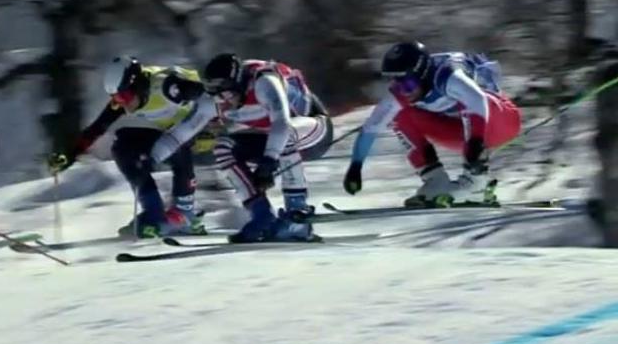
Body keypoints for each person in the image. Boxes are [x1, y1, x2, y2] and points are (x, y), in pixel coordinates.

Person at [150, 53, 334, 243]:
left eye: (225, 92)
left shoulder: (264, 82)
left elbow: (281, 123)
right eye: (215, 92)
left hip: (314, 130)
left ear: (238, 82)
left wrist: (269, 161)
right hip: (274, 139)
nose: (223, 99)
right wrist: (152, 159)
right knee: (224, 147)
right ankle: (262, 216)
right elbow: (181, 132)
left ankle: (297, 215)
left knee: (285, 134)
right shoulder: (216, 97)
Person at [344, 41, 523, 207]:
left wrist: (476, 141)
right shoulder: (404, 90)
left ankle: (476, 183)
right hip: (464, 131)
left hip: (501, 123)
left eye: (407, 84)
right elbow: (373, 126)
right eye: (396, 84)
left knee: (471, 100)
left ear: (422, 75)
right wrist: (356, 166)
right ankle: (436, 180)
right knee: (400, 113)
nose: (404, 91)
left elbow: (477, 100)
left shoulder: (449, 75)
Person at [48, 56, 208, 237]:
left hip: (200, 128)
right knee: (123, 146)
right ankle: (154, 213)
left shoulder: (169, 87)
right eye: (115, 99)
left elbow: (211, 98)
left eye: (124, 96)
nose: (121, 103)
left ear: (137, 85)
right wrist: (69, 155)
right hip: (170, 129)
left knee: (178, 142)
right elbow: (97, 128)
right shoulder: (127, 98)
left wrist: (212, 130)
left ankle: (184, 212)